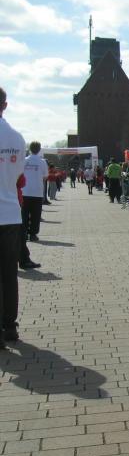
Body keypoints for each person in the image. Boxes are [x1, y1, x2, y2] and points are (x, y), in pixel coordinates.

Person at [0, 87, 27, 347]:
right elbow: (19, 176)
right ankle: (9, 325)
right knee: (9, 272)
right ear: (5, 105)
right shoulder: (17, 138)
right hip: (9, 214)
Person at [21, 141, 48, 243]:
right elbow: (45, 176)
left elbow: (19, 174)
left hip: (25, 191)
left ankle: (24, 233)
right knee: (36, 214)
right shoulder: (42, 162)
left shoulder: (24, 160)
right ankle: (33, 234)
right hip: (37, 192)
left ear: (30, 149)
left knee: (24, 214)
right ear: (39, 149)